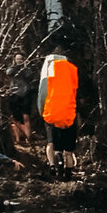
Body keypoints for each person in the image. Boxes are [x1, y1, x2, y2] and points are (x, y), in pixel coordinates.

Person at [38, 47, 80, 180]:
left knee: (52, 143)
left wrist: (42, 112)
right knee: (69, 149)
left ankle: (53, 165)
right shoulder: (71, 71)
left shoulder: (48, 74)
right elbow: (76, 93)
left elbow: (42, 95)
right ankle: (68, 173)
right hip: (69, 115)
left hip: (52, 114)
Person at [5, 51, 37, 144]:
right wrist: (14, 66)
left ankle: (28, 138)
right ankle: (18, 139)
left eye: (21, 59)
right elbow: (8, 73)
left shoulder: (26, 69)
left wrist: (25, 66)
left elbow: (30, 75)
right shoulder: (12, 69)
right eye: (17, 59)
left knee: (26, 117)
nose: (19, 61)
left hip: (25, 94)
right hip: (14, 94)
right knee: (16, 118)